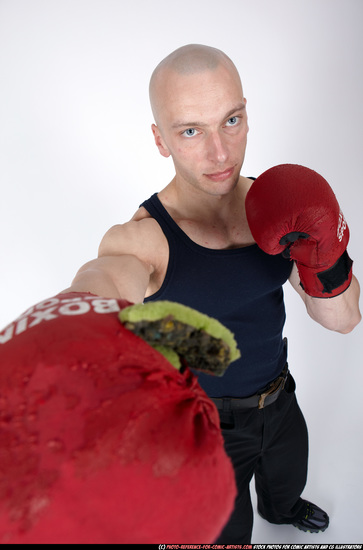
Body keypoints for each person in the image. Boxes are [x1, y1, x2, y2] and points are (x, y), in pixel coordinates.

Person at [62, 44, 361, 543]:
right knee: (226, 534)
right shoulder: (143, 239)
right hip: (202, 428)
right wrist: (77, 314)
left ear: (246, 112)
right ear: (161, 140)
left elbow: (343, 320)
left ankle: (283, 509)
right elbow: (108, 277)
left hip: (280, 401)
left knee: (287, 485)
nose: (220, 153)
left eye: (231, 121)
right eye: (191, 131)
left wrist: (325, 254)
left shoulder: (277, 205)